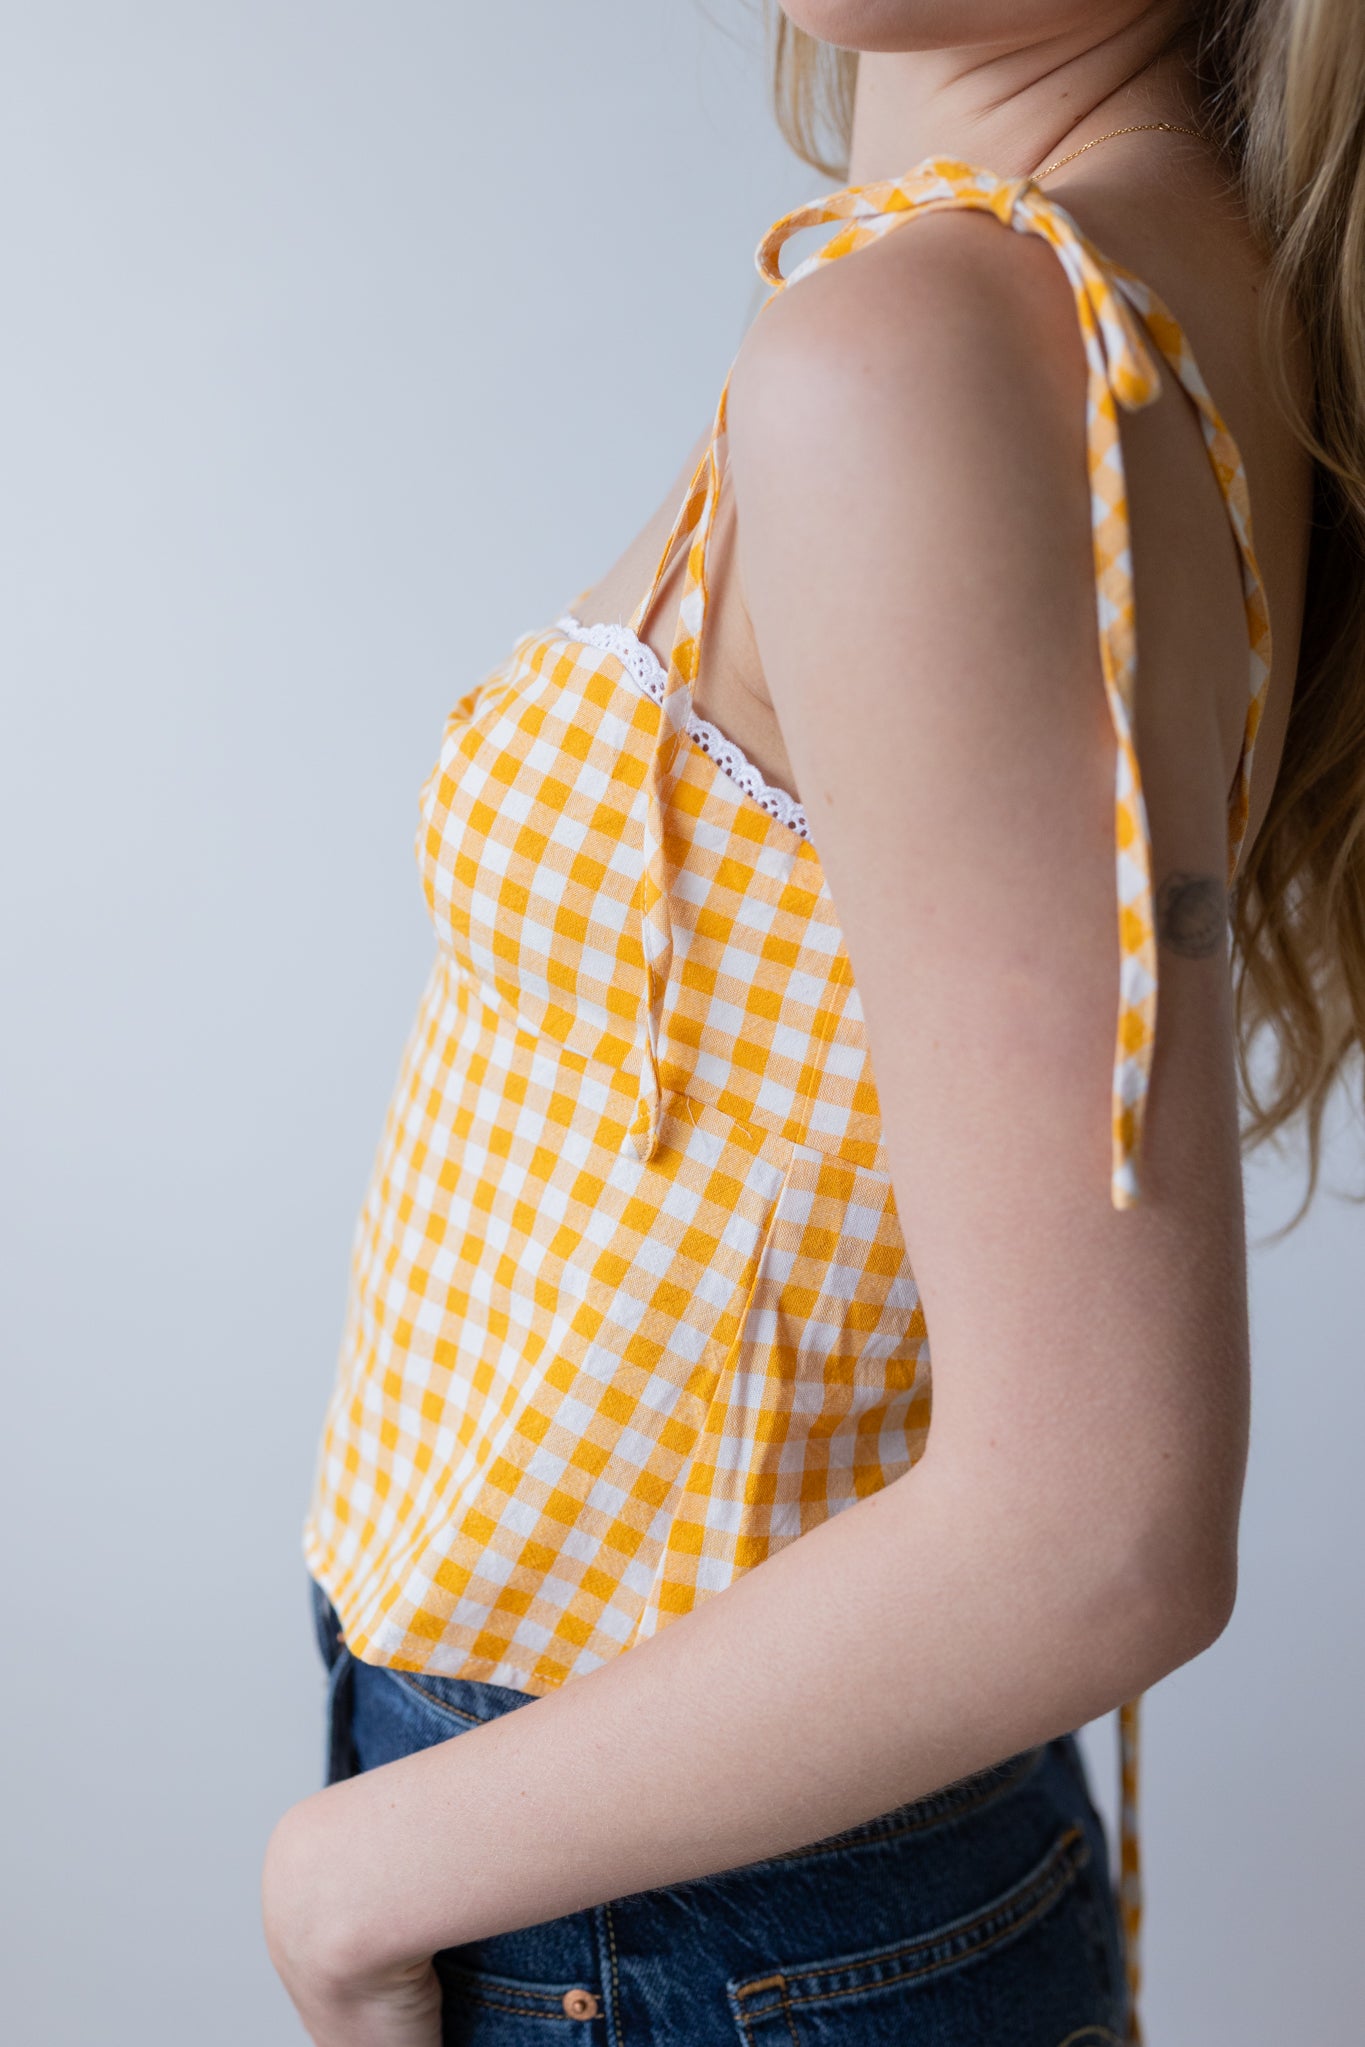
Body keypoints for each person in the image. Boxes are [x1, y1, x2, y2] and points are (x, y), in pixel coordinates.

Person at [262, 4, 1364, 2043]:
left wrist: (347, 1876)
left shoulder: (931, 350)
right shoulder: (1123, 273)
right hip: (769, 1857)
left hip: (658, 1900)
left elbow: (1098, 1527)